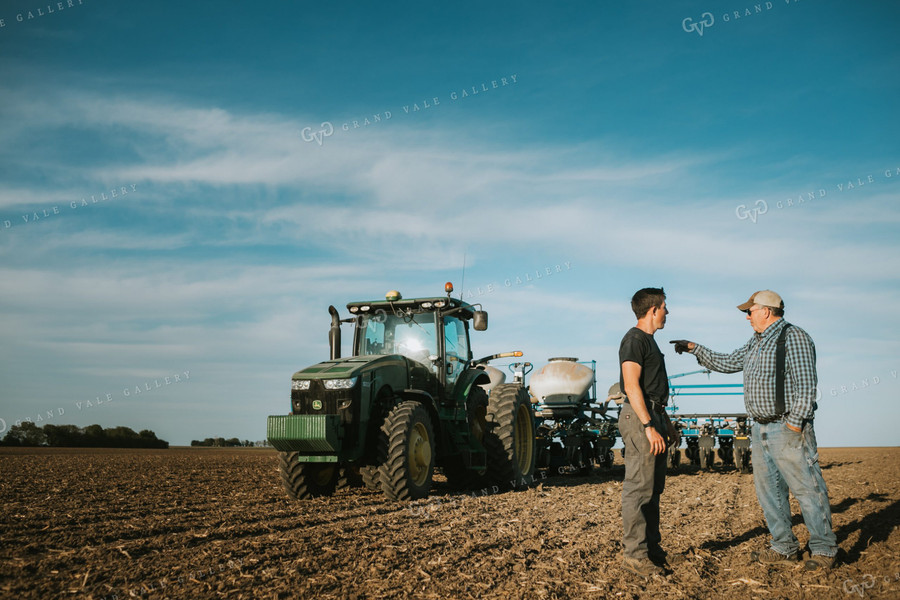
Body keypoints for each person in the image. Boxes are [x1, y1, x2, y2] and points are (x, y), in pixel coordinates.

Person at [670, 290, 837, 570]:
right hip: (759, 428)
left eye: (750, 311)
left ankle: (824, 549)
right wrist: (694, 348)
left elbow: (807, 385)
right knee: (769, 491)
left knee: (807, 488)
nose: (747, 316)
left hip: (786, 427)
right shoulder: (755, 343)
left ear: (767, 311)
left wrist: (795, 422)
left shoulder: (794, 337)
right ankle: (784, 547)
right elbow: (727, 362)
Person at [618, 287, 677, 578]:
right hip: (640, 418)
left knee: (653, 489)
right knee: (639, 488)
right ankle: (635, 555)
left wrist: (665, 423)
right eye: (665, 307)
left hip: (654, 415)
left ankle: (652, 550)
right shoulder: (634, 340)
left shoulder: (650, 342)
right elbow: (631, 386)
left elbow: (652, 390)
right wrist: (648, 426)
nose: (668, 312)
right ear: (653, 310)